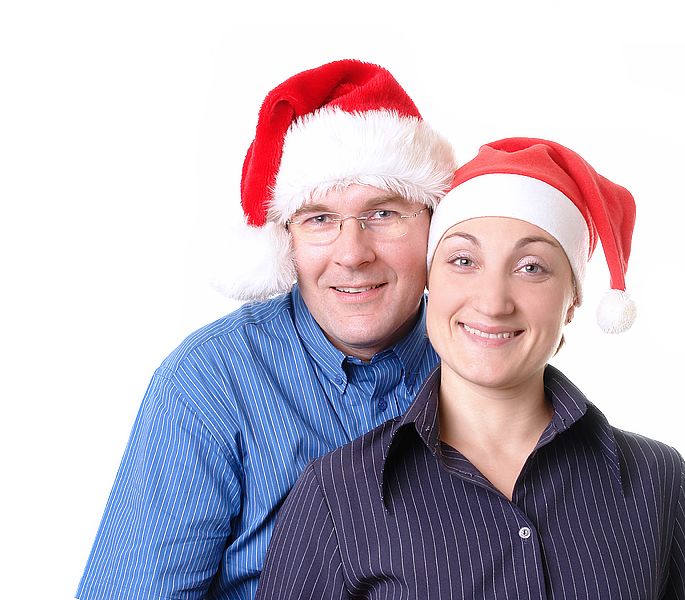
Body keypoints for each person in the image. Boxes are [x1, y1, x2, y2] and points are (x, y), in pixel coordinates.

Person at [255, 138, 685, 599]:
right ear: (430, 283)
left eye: (531, 268)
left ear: (572, 302)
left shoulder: (656, 480)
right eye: (463, 260)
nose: (492, 301)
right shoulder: (336, 496)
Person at [76, 59, 456, 600]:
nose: (353, 253)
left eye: (384, 212)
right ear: (286, 241)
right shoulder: (209, 386)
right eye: (320, 219)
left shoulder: (478, 361)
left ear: (434, 225)